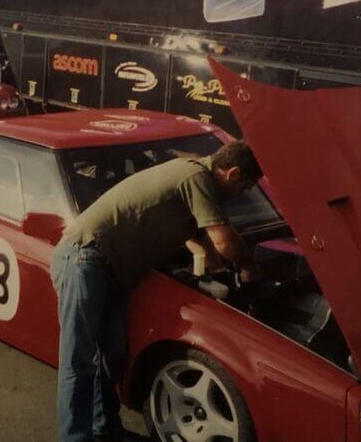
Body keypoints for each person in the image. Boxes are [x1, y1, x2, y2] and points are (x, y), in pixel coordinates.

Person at [50, 140, 263, 442]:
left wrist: (222, 278)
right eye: (245, 188)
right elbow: (224, 240)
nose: (242, 195)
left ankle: (105, 430)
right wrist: (249, 270)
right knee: (79, 359)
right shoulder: (196, 178)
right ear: (232, 172)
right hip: (85, 257)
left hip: (113, 270)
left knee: (112, 354)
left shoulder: (192, 179)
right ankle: (75, 438)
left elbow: (202, 241)